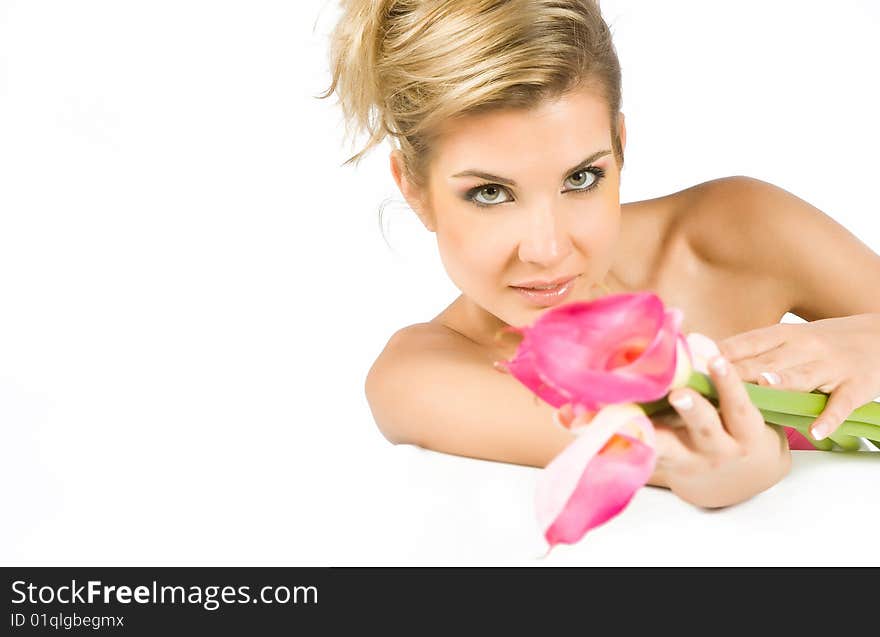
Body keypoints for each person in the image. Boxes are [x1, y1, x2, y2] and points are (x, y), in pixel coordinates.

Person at [319, 0, 880, 509]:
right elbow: (668, 450)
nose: (547, 250)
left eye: (582, 177)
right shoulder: (422, 377)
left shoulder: (738, 228)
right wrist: (732, 467)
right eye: (490, 192)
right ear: (413, 188)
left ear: (619, 148)